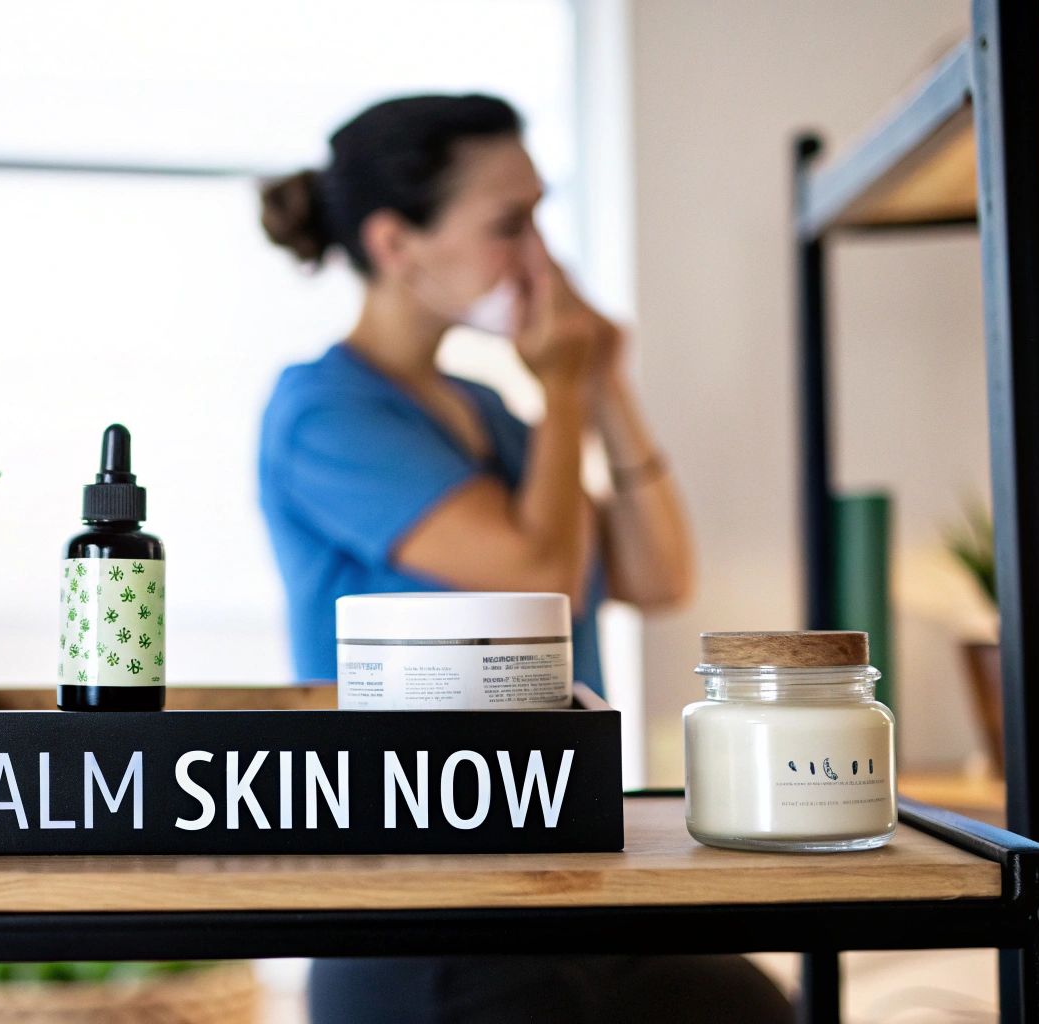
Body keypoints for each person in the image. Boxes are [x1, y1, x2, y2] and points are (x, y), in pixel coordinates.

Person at [255, 94, 791, 1024]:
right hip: (425, 906)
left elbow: (658, 576)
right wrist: (566, 391)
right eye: (511, 223)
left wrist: (607, 379)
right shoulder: (326, 414)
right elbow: (537, 579)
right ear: (396, 246)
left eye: (542, 214)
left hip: (556, 875)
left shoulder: (491, 413)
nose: (542, 255)